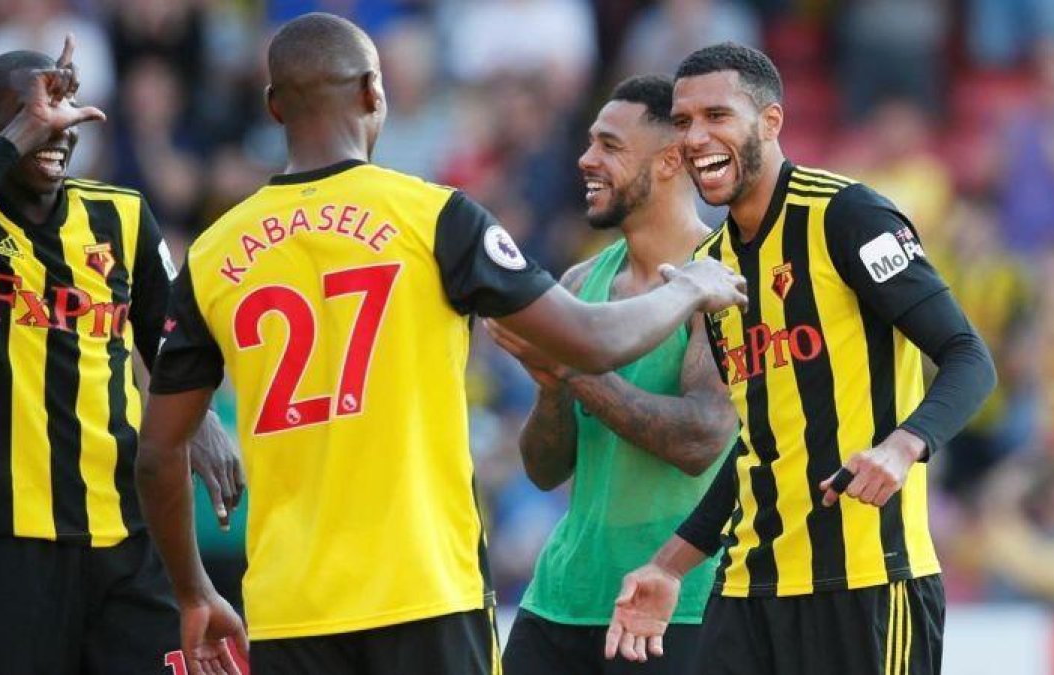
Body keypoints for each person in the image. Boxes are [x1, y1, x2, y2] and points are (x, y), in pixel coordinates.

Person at [134, 13, 748, 675]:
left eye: (607, 145)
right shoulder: (434, 217)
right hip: (424, 587)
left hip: (290, 603)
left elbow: (159, 451)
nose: (584, 159)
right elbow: (589, 346)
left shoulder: (213, 253)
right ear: (374, 92)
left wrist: (194, 591)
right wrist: (687, 290)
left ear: (274, 105)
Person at [605, 42, 996, 675]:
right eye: (683, 123)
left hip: (867, 576)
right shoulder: (713, 266)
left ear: (771, 122)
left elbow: (968, 355)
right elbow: (760, 441)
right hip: (749, 587)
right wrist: (669, 565)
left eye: (716, 116)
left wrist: (903, 446)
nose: (696, 137)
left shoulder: (849, 215)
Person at [0, 36, 243, 674]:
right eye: (35, 112)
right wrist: (17, 138)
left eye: (66, 106)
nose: (58, 126)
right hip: (8, 545)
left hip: (127, 537)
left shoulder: (122, 216)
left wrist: (201, 416)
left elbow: (168, 341)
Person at [490, 75, 737, 675]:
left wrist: (574, 368)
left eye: (609, 145)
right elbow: (545, 469)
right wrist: (552, 385)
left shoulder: (725, 277)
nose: (586, 159)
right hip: (561, 597)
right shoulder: (579, 285)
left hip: (673, 602)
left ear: (673, 159)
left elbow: (701, 439)